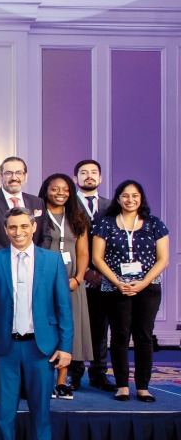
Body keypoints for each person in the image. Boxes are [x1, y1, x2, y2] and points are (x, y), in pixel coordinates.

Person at [0, 207, 72, 440]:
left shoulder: (52, 261)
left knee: (40, 410)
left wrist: (66, 347)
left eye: (23, 226)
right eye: (12, 228)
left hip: (40, 347)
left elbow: (64, 308)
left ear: (33, 227)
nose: (18, 232)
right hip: (5, 347)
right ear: (5, 230)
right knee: (5, 410)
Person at [91, 180, 169, 402]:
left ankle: (143, 387)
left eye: (135, 195)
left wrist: (143, 283)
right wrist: (117, 282)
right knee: (119, 336)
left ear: (141, 198)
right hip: (116, 287)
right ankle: (122, 385)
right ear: (118, 199)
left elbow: (163, 259)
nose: (130, 199)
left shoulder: (155, 223)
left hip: (148, 287)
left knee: (144, 336)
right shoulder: (105, 223)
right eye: (125, 195)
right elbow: (97, 257)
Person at [37, 173, 93, 399]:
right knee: (44, 329)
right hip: (43, 280)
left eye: (65, 190)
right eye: (55, 189)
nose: (60, 193)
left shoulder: (76, 217)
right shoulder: (38, 215)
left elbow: (83, 252)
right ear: (46, 191)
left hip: (72, 281)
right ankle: (43, 380)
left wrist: (78, 278)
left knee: (68, 330)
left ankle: (62, 381)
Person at [73, 158, 116, 391]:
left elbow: (117, 242)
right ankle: (74, 373)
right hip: (77, 276)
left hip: (104, 277)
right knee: (76, 326)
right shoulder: (68, 205)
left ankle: (99, 374)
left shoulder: (112, 206)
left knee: (101, 328)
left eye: (93, 173)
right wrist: (85, 271)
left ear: (100, 178)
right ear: (75, 178)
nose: (88, 176)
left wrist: (100, 271)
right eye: (83, 172)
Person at [0, 157, 45, 249]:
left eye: (19, 173)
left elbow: (46, 235)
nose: (14, 178)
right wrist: (9, 255)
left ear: (26, 176)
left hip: (34, 260)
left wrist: (37, 256)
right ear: (0, 177)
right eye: (8, 173)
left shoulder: (37, 202)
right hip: (1, 259)